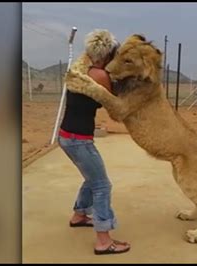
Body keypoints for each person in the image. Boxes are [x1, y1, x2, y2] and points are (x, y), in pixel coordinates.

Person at [58, 29, 130, 255]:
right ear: (107, 54)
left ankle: (79, 215)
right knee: (102, 185)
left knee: (92, 179)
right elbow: (116, 104)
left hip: (67, 136)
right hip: (78, 140)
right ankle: (103, 240)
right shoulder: (99, 76)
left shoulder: (80, 70)